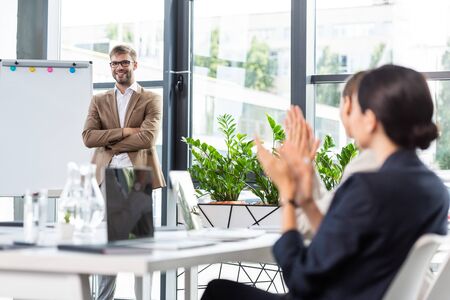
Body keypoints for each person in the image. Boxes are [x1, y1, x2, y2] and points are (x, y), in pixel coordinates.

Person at [201, 64, 449, 300]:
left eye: (356, 107)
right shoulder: (435, 190)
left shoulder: (368, 187)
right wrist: (308, 202)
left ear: (370, 119)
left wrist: (287, 193)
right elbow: (351, 243)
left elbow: (301, 278)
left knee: (217, 291)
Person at [82, 44, 166, 300]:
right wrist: (126, 131)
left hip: (139, 176)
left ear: (135, 65)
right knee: (107, 246)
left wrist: (109, 142)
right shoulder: (98, 100)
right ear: (111, 67)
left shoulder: (151, 99)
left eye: (124, 63)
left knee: (141, 247)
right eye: (115, 64)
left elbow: (148, 138)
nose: (119, 68)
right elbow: (88, 137)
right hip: (105, 179)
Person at [297, 71, 380, 236]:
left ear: (348, 104)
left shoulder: (365, 174)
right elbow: (329, 211)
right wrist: (307, 168)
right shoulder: (417, 176)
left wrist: (289, 190)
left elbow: (310, 228)